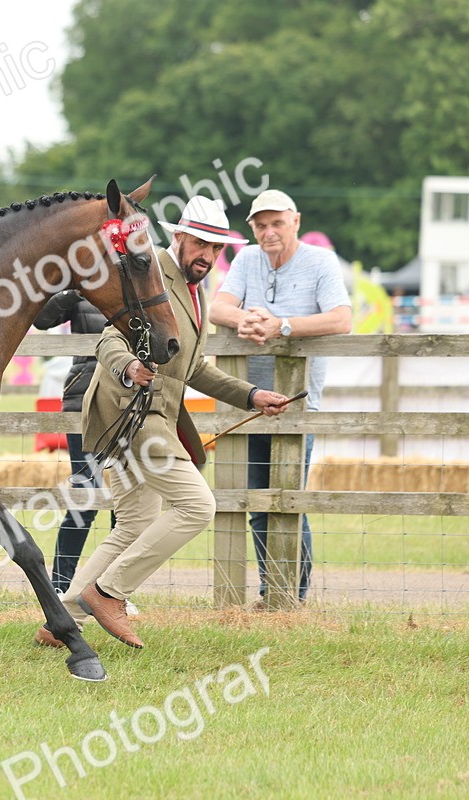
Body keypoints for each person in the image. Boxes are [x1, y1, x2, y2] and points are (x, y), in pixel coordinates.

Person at [35, 196, 292, 649]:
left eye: (215, 249)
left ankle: (64, 620)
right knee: (197, 506)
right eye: (200, 244)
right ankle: (109, 593)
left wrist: (251, 396)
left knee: (134, 523)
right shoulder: (149, 273)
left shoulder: (199, 294)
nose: (207, 257)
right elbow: (110, 340)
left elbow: (193, 370)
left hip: (153, 420)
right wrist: (128, 368)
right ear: (178, 237)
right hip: (131, 417)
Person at [210, 189, 352, 606]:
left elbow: (341, 319)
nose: (268, 232)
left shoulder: (320, 261)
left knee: (288, 501)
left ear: (296, 221)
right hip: (249, 399)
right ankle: (271, 591)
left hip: (295, 401)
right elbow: (219, 306)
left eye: (276, 223)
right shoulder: (247, 259)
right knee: (256, 501)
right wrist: (248, 319)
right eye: (260, 225)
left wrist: (283, 327)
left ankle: (292, 594)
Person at [32, 289, 131, 612]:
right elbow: (43, 318)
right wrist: (76, 289)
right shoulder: (86, 284)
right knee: (84, 495)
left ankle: (114, 591)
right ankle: (61, 585)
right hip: (82, 402)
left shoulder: (145, 280)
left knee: (127, 503)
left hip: (128, 403)